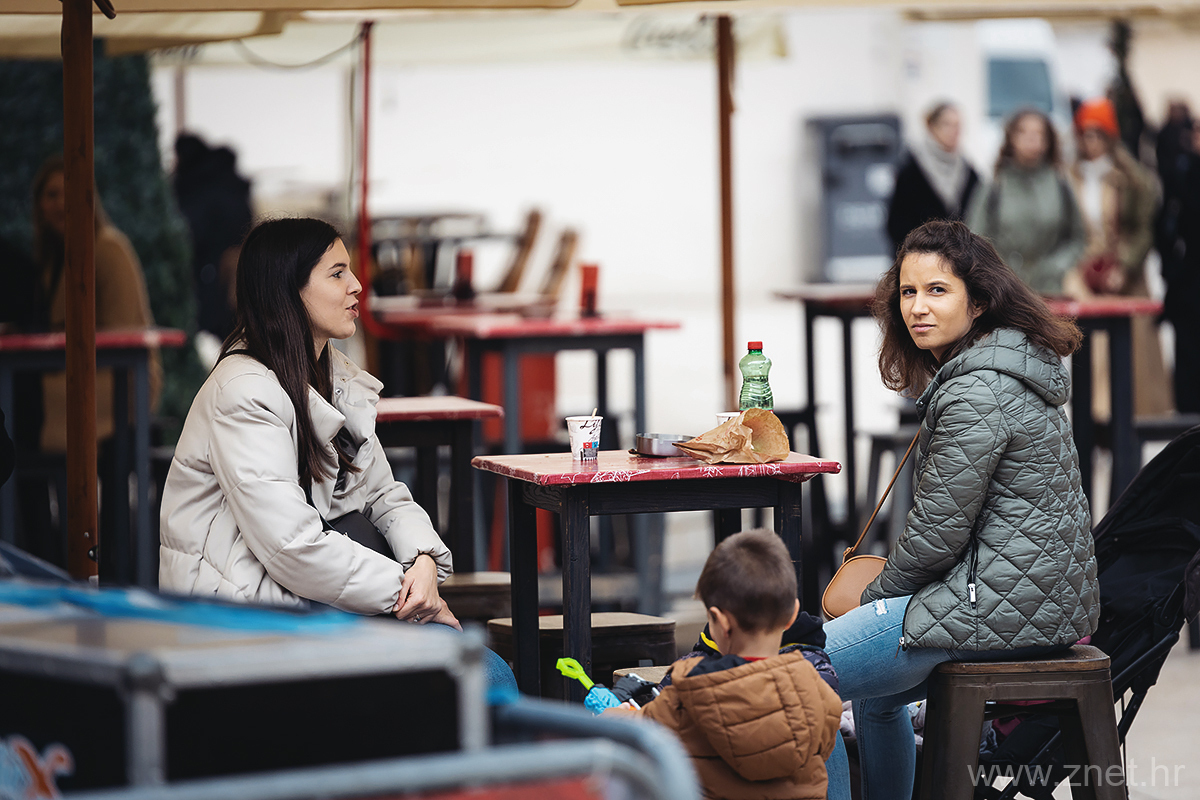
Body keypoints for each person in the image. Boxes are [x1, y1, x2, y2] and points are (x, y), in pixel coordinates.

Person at [158, 217, 516, 690]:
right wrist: (402, 591)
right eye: (337, 273)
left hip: (313, 604)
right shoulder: (243, 392)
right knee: (483, 678)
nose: (357, 285)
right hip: (244, 624)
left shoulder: (334, 378)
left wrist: (424, 562)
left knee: (486, 675)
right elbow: (292, 546)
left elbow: (383, 494)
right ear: (288, 291)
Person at [823, 220, 1100, 800]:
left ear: (978, 302)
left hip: (995, 610)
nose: (917, 307)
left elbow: (935, 538)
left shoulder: (978, 391)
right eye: (907, 292)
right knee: (875, 701)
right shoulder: (1009, 369)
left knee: (796, 680)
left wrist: (875, 601)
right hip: (1034, 605)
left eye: (937, 290)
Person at [610, 529, 843, 800]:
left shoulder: (688, 694)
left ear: (720, 622)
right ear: (792, 614)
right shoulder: (820, 692)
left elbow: (637, 733)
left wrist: (612, 713)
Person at [25, 156, 161, 567]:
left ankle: (67, 561)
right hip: (82, 384)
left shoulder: (107, 249)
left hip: (118, 388)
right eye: (51, 194)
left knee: (22, 416)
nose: (59, 203)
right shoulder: (54, 260)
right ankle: (50, 556)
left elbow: (125, 337)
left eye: (67, 193)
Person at [1067, 97, 1171, 420]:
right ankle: (1096, 421)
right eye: (1085, 134)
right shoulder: (1069, 177)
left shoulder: (1131, 178)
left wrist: (1124, 264)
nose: (1091, 142)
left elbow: (1143, 229)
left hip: (1125, 274)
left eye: (1097, 134)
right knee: (1090, 353)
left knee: (1132, 358)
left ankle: (1130, 425)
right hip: (1085, 274)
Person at [967, 108, 1087, 296]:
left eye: (1039, 133)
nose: (1032, 139)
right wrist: (998, 269)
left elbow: (1078, 238)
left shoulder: (1060, 184)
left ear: (1048, 141)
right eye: (1024, 132)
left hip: (1051, 289)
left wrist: (1057, 265)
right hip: (1004, 291)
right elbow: (974, 237)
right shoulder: (995, 185)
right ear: (1011, 138)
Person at [886, 102, 981, 254]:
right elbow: (896, 224)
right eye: (947, 124)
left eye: (957, 125)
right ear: (931, 127)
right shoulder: (911, 169)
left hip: (960, 260)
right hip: (919, 258)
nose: (954, 131)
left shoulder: (969, 173)